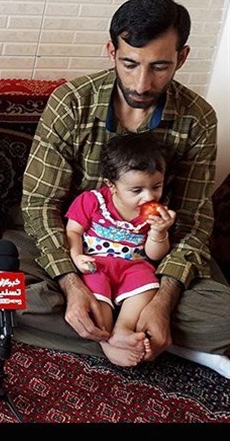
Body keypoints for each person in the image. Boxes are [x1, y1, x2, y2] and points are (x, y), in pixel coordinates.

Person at [4, 0, 230, 378]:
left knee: (225, 318)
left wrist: (162, 300)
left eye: (160, 66)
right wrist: (71, 283)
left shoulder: (197, 118)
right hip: (72, 242)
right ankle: (136, 340)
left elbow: (194, 220)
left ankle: (127, 327)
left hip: (147, 256)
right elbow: (41, 205)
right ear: (112, 52)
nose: (142, 83)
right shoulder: (71, 102)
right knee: (2, 298)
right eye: (130, 64)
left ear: (182, 57)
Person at [66, 132, 176, 367]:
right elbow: (73, 231)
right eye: (137, 190)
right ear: (111, 185)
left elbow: (155, 255)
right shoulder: (92, 201)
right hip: (97, 263)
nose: (149, 196)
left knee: (148, 285)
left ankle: (123, 328)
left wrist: (159, 233)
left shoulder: (156, 213)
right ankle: (105, 338)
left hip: (133, 266)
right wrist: (76, 256)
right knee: (96, 294)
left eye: (156, 186)